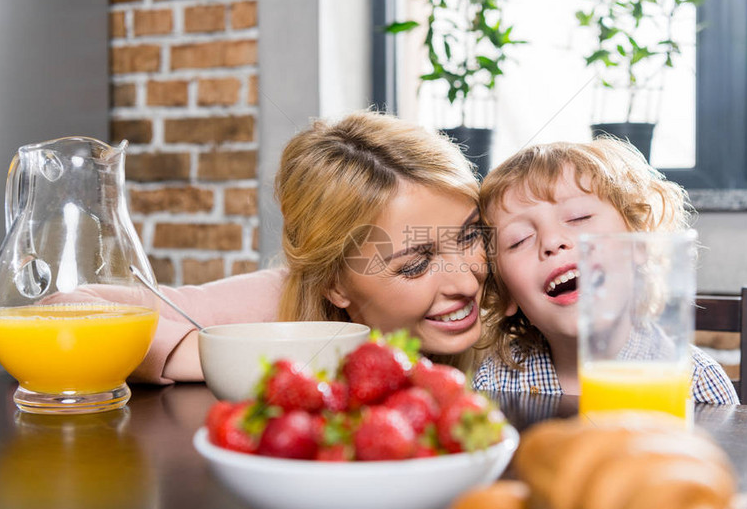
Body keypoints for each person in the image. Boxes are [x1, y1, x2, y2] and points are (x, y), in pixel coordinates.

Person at [130, 111, 486, 384]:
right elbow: (78, 306)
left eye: (471, 235)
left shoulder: (518, 295)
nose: (468, 285)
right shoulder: (276, 299)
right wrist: (225, 358)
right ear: (334, 284)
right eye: (415, 265)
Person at [472, 139, 739, 404]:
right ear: (505, 293)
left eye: (579, 217)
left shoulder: (695, 383)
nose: (552, 241)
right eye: (519, 239)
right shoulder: (494, 383)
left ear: (639, 243)